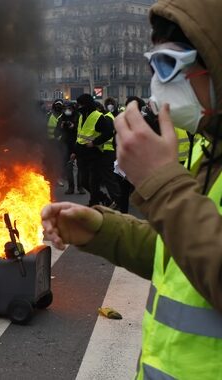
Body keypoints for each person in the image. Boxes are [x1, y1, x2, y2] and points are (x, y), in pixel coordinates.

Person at [41, 1, 222, 377]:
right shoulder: (210, 146)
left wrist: (162, 183)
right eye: (153, 65)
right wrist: (103, 230)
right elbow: (178, 254)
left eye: (171, 65)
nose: (159, 81)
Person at [55, 101, 81, 194]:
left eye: (69, 109)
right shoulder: (61, 118)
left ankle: (80, 187)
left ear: (73, 109)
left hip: (78, 143)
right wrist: (61, 127)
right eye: (65, 109)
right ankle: (71, 187)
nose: (67, 111)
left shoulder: (79, 116)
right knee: (68, 166)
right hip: (66, 144)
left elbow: (82, 129)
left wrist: (74, 126)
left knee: (80, 166)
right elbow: (55, 132)